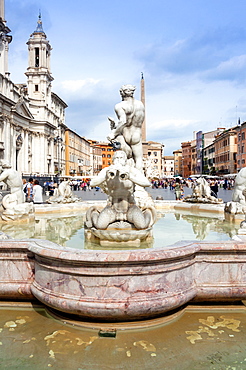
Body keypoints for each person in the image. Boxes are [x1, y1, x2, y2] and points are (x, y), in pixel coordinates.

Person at [107, 84, 145, 171]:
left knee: (123, 159)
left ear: (122, 93)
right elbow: (140, 120)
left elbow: (123, 121)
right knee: (138, 160)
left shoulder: (119, 106)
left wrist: (113, 133)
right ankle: (138, 182)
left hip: (126, 134)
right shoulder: (140, 104)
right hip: (137, 134)